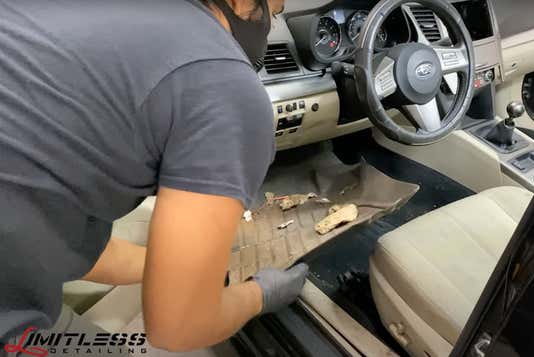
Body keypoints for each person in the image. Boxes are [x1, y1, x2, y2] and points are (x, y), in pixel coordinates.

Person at [0, 0, 308, 353]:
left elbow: (52, 216)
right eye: (275, 9)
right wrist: (260, 294)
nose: (271, 21)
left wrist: (171, 271)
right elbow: (177, 329)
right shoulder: (223, 83)